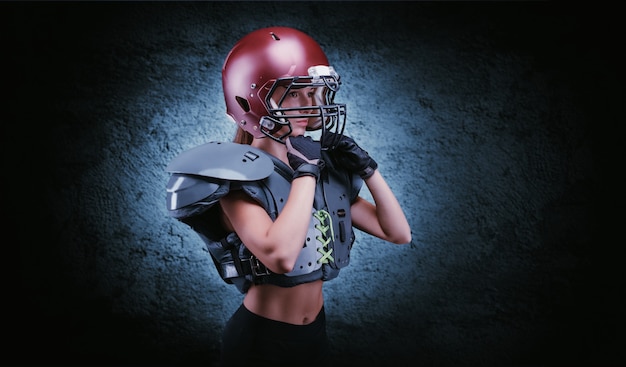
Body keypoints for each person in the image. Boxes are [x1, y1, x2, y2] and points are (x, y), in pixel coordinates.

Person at [165, 26, 411, 366]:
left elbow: (397, 233)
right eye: (296, 93)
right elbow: (279, 256)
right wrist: (305, 172)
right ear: (248, 99)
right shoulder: (235, 177)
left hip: (315, 334)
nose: (312, 105)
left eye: (316, 92)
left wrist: (370, 170)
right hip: (261, 341)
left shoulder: (322, 165)